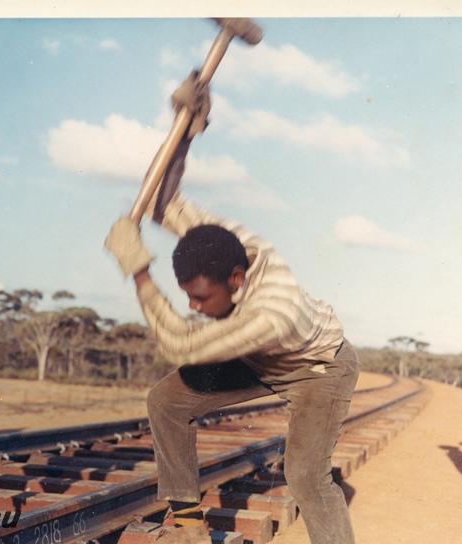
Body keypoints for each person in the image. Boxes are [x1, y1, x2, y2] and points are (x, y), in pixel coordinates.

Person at [104, 77, 358, 544]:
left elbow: (178, 342)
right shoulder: (220, 242)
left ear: (237, 280)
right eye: (188, 296)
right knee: (167, 402)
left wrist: (138, 269)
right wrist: (186, 132)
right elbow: (163, 202)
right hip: (260, 359)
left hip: (318, 370)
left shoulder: (271, 310)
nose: (193, 306)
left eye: (201, 299)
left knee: (306, 478)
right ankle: (187, 524)